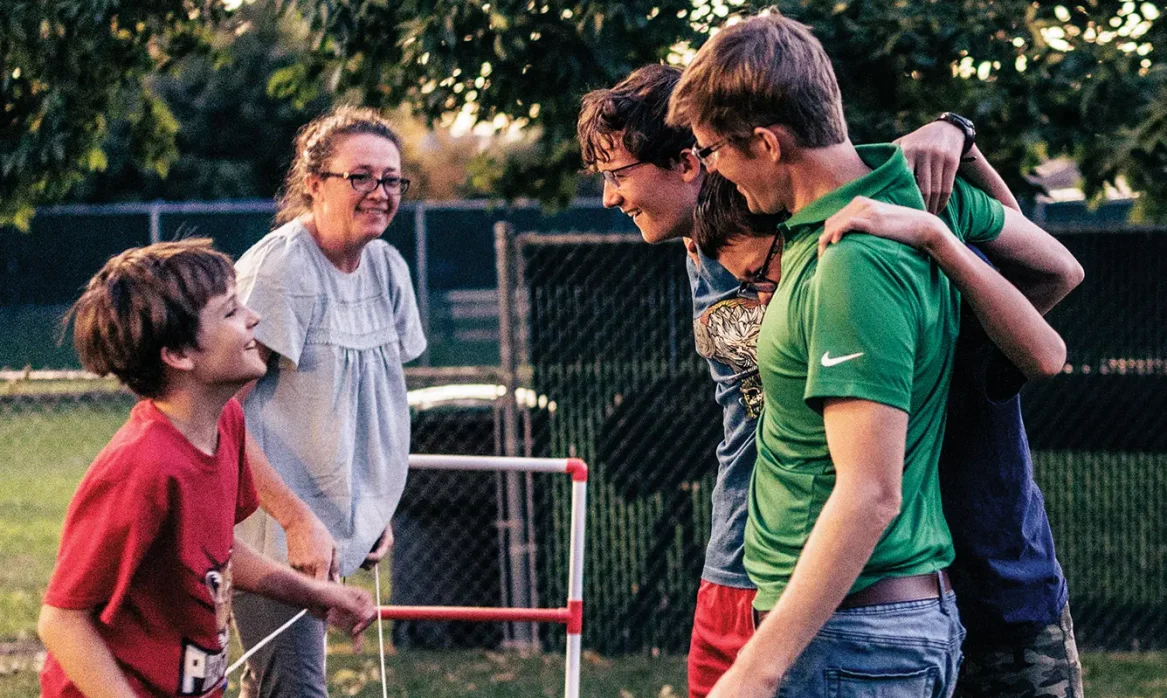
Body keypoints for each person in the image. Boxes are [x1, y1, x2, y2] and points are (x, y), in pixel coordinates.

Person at [667, 11, 1082, 698]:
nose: (712, 172)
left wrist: (755, 668)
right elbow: (1055, 276)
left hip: (851, 629)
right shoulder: (888, 198)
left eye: (710, 152)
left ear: (766, 142)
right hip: (861, 625)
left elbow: (869, 491)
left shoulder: (852, 255)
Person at [576, 64, 1023, 698]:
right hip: (736, 562)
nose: (609, 197)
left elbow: (1024, 262)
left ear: (691, 162)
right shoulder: (697, 248)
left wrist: (957, 135)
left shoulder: (835, 230)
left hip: (849, 578)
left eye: (618, 174)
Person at [38, 239, 376, 698]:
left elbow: (216, 551)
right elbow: (62, 620)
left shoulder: (228, 424)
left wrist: (313, 594)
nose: (254, 318)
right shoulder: (142, 468)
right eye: (231, 312)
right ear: (178, 354)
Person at [230, 104, 426, 697]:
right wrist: (298, 521)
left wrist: (372, 505)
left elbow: (371, 407)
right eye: (361, 176)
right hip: (269, 537)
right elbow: (218, 416)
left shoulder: (388, 267)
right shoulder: (281, 269)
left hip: (335, 531)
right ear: (315, 184)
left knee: (279, 689)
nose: (380, 192)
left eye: (391, 179)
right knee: (295, 691)